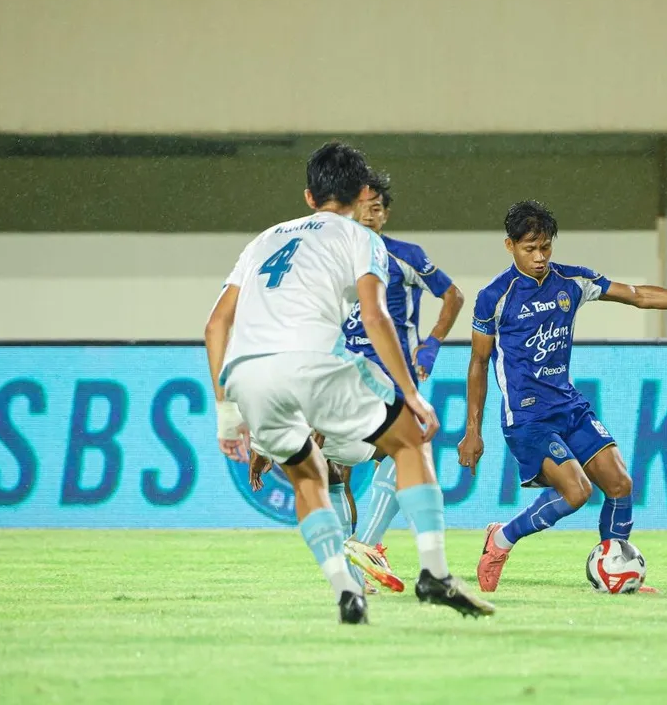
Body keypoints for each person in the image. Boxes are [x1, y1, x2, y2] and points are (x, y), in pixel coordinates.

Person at [205, 142, 494, 623]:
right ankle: (435, 573)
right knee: (410, 439)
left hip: (247, 373)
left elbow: (216, 325)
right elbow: (377, 317)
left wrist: (227, 412)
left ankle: (346, 590)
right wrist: (412, 395)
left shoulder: (262, 240)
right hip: (313, 359)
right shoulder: (362, 239)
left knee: (306, 475)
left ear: (307, 196)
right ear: (362, 193)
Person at [456, 200, 667, 593]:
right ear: (509, 246)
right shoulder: (495, 296)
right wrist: (472, 430)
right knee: (577, 491)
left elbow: (639, 295)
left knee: (619, 483)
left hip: (569, 406)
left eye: (546, 247)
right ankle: (501, 539)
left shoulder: (572, 282)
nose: (540, 257)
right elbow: (478, 363)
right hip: (527, 418)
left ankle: (616, 571)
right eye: (530, 249)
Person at [331, 171, 466, 594]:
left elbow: (453, 296)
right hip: (341, 376)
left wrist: (431, 345)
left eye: (377, 206)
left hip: (389, 377)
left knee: (401, 453)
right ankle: (362, 554)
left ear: (385, 215)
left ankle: (361, 554)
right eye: (362, 204)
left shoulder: (404, 256)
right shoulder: (334, 259)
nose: (369, 213)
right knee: (352, 470)